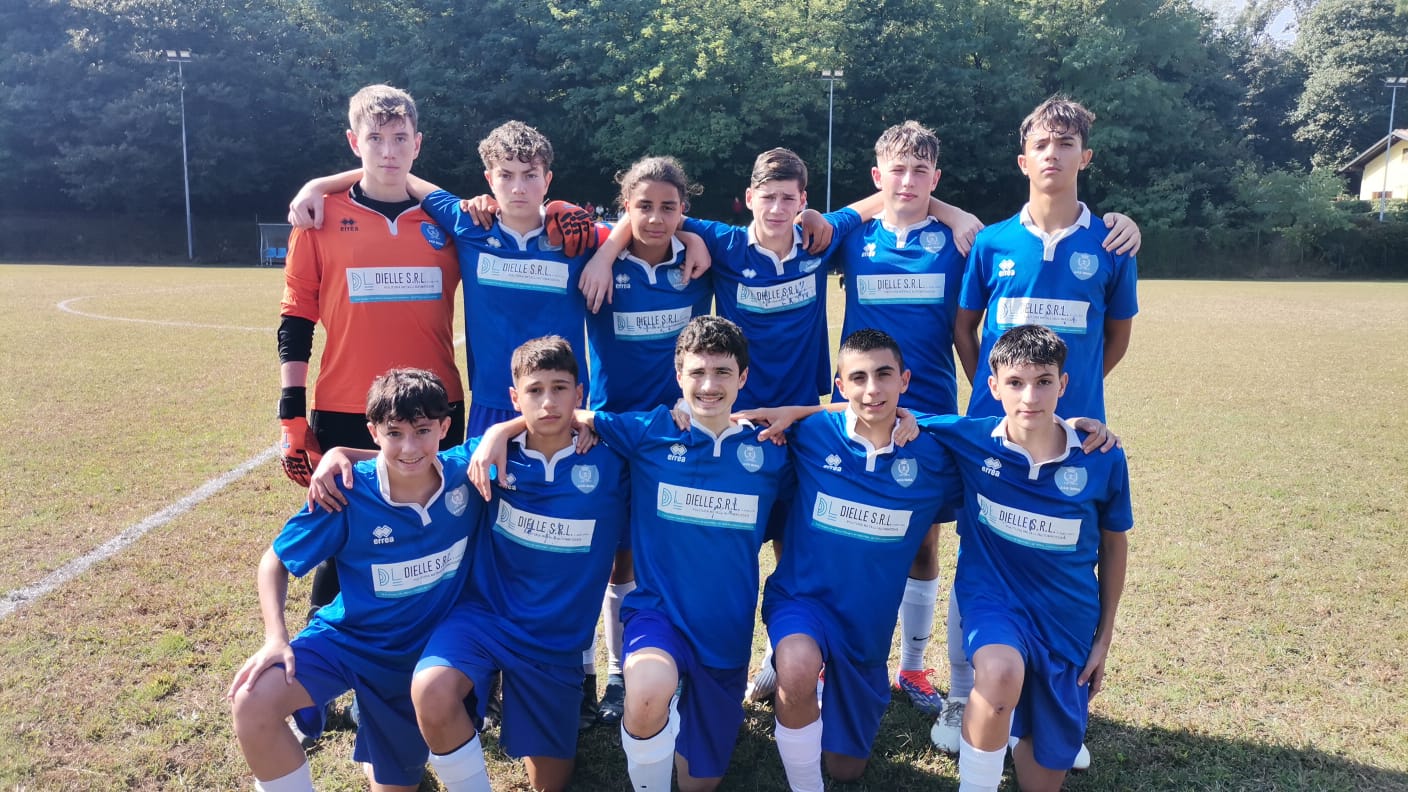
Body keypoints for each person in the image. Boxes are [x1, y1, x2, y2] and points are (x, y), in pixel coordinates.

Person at [472, 316, 793, 792]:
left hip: (725, 630)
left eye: (723, 373)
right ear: (678, 376)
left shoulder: (769, 447)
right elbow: (563, 413)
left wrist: (795, 413)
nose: (709, 385)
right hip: (657, 615)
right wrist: (499, 431)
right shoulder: (649, 431)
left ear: (743, 377)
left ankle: (685, 707)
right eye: (697, 373)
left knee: (699, 785)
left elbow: (852, 413)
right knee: (643, 696)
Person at [939, 95, 1139, 765]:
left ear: (1086, 156)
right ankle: (961, 695)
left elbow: (1115, 339)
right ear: (1023, 160)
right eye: (1042, 145)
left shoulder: (1111, 243)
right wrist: (992, 396)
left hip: (1074, 434)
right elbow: (965, 328)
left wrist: (1066, 401)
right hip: (995, 430)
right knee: (981, 550)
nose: (1053, 154)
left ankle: (1057, 701)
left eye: (1066, 143)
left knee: (1065, 553)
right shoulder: (993, 241)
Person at [227, 369, 483, 792]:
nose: (409, 447)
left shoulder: (466, 473)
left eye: (422, 431)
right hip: (349, 641)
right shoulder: (345, 491)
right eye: (394, 433)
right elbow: (274, 560)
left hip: (416, 664)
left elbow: (536, 421)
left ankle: (378, 749)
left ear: (444, 427)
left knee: (396, 785)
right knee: (251, 700)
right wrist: (276, 637)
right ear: (374, 432)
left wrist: (576, 422)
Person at [287, 120, 600, 441]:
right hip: (492, 403)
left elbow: (631, 225)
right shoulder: (470, 226)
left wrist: (604, 254)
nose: (518, 188)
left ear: (547, 180)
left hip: (562, 405)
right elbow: (397, 175)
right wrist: (317, 186)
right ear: (489, 179)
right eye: (506, 175)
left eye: (530, 175)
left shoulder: (579, 238)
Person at [277, 84, 466, 618]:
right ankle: (320, 656)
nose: (388, 151)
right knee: (343, 537)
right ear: (353, 142)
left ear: (417, 144)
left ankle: (424, 648)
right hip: (346, 405)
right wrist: (291, 413)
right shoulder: (317, 219)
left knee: (433, 532)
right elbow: (296, 318)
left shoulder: (448, 222)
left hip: (437, 405)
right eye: (375, 138)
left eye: (400, 138)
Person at [919, 325, 1131, 792]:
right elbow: (875, 410)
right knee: (999, 672)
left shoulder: (1101, 457)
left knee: (1041, 780)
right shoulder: (972, 439)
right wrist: (794, 411)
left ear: (1063, 385)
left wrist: (1103, 637)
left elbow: (1115, 545)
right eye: (1015, 382)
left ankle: (1017, 726)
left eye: (1043, 381)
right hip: (994, 601)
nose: (1029, 397)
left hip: (1065, 620)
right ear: (992, 386)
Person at [581, 155, 715, 726]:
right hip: (608, 431)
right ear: (624, 209)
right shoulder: (595, 256)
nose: (656, 218)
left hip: (676, 432)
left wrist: (694, 236)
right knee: (614, 559)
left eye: (669, 207)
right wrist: (605, 252)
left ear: (684, 210)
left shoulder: (701, 258)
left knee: (669, 555)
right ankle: (612, 674)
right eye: (643, 207)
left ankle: (672, 662)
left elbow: (760, 223)